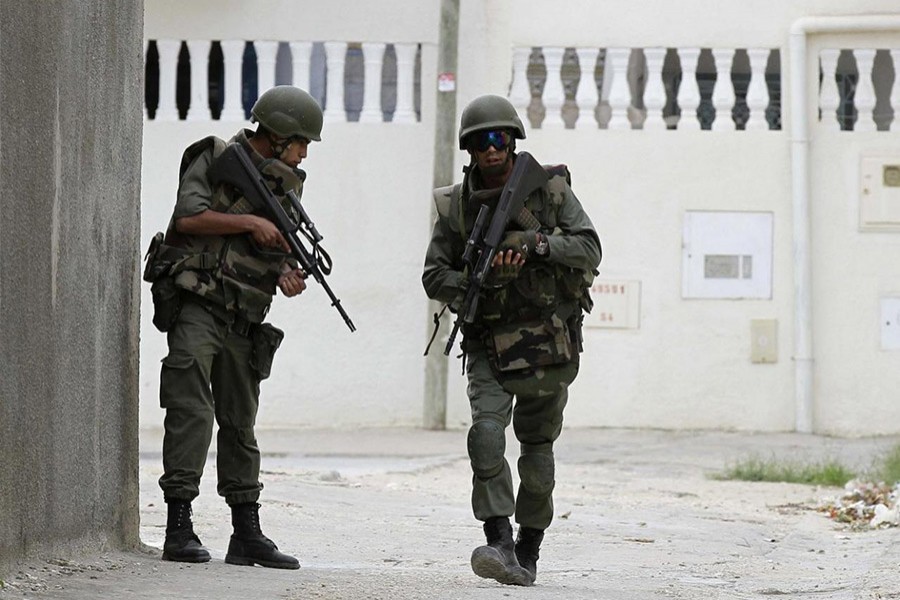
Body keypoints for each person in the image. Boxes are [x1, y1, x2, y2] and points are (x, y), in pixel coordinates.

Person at [422, 95, 601, 586]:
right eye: (481, 142)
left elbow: (589, 247)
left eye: (500, 139)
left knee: (538, 452)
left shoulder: (549, 192)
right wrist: (479, 281)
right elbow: (434, 275)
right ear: (469, 150)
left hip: (547, 340)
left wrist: (535, 244)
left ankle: (529, 547)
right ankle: (497, 538)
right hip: (488, 340)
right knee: (484, 434)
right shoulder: (456, 207)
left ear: (514, 140)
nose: (492, 150)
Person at [144, 85, 324, 569]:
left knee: (240, 422)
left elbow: (272, 253)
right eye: (302, 141)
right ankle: (178, 525)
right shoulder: (215, 156)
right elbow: (189, 217)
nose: (305, 152)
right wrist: (249, 224)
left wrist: (285, 272)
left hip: (244, 314)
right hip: (199, 301)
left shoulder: (287, 184)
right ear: (279, 133)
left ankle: (246, 532)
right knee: (190, 406)